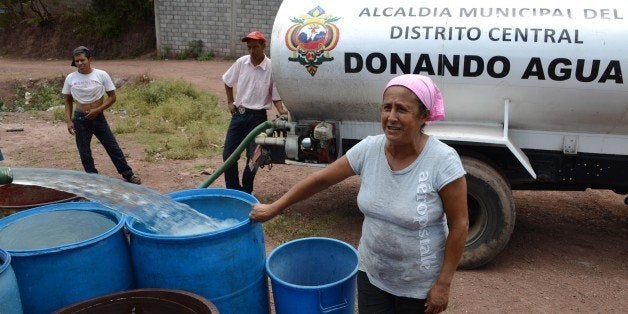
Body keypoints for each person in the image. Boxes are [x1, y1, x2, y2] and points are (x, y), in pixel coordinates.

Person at [251, 74, 468, 313]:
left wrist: (444, 283)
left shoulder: (442, 160)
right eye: (387, 107)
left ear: (423, 116)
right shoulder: (369, 149)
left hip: (418, 285)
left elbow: (459, 224)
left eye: (402, 109)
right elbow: (319, 180)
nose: (391, 117)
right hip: (372, 275)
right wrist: (275, 207)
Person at [62, 46, 141, 184]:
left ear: (90, 59)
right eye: (77, 61)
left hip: (98, 117)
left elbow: (112, 97)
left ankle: (128, 174)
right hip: (80, 118)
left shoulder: (101, 75)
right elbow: (68, 101)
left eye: (82, 60)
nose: (80, 64)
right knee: (84, 150)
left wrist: (98, 110)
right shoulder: (71, 78)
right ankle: (93, 178)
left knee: (112, 146)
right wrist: (69, 121)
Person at [221, 31, 288, 193]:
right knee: (228, 155)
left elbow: (275, 95)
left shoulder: (271, 67)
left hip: (258, 119)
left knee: (255, 157)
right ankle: (233, 191)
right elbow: (227, 81)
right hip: (239, 115)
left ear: (264, 46)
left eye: (255, 47)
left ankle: (246, 190)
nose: (251, 51)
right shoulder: (241, 63)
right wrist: (230, 101)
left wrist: (282, 112)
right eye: (249, 47)